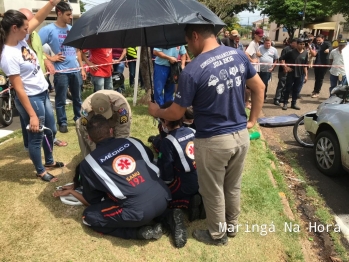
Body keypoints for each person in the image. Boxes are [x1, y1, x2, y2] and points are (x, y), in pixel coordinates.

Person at [148, 24, 265, 245]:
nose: (188, 47)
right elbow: (259, 87)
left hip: (213, 141)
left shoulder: (193, 70)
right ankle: (231, 227)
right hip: (240, 136)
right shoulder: (238, 55)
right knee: (232, 186)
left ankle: (218, 235)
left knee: (212, 191)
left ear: (195, 36)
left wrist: (157, 111)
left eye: (187, 42)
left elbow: (176, 112)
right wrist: (252, 120)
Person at [56, 114, 171, 240]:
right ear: (111, 130)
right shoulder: (132, 141)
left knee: (88, 216)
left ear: (89, 138)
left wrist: (73, 191)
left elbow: (92, 201)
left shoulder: (88, 164)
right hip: (165, 194)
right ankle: (167, 217)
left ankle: (138, 232)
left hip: (138, 211)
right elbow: (148, 159)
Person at [0, 0, 64, 182]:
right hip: (31, 98)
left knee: (51, 129)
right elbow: (18, 89)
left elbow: (38, 18)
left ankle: (49, 161)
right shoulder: (8, 55)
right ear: (14, 28)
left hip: (42, 93)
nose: (28, 30)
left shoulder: (20, 40)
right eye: (25, 28)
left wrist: (52, 3)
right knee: (36, 136)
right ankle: (40, 170)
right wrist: (32, 115)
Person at [19, 8, 67, 149]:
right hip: (27, 89)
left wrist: (47, 61)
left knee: (48, 116)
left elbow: (40, 53)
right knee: (28, 118)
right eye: (27, 22)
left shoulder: (35, 35)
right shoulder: (16, 42)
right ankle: (30, 145)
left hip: (42, 82)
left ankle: (51, 138)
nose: (30, 25)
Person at [39, 1, 86, 133]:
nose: (71, 17)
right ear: (59, 13)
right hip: (61, 71)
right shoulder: (48, 30)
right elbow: (35, 47)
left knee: (77, 97)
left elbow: (78, 50)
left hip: (75, 70)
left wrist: (82, 68)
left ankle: (78, 119)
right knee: (60, 100)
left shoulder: (72, 30)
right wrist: (50, 58)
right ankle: (62, 122)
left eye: (71, 14)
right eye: (68, 14)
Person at [157, 101, 200, 218]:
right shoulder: (193, 131)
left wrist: (164, 182)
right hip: (201, 177)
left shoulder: (168, 141)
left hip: (184, 181)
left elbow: (166, 168)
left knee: (161, 197)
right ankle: (198, 198)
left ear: (165, 121)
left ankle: (187, 203)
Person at [76, 90, 132, 157]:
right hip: (96, 123)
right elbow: (87, 134)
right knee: (79, 124)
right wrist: (97, 153)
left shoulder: (121, 105)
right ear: (92, 108)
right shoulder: (86, 109)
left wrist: (117, 152)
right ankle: (89, 159)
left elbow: (123, 132)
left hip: (114, 119)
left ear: (110, 102)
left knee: (120, 146)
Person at [281, 39, 308, 110]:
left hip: (300, 74)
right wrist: (286, 67)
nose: (302, 46)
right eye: (300, 44)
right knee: (288, 89)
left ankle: (294, 103)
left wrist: (306, 75)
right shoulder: (291, 52)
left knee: (296, 90)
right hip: (291, 74)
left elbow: (305, 65)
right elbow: (281, 59)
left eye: (303, 44)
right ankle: (285, 103)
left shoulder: (305, 53)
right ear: (297, 44)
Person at [273, 38, 297, 106]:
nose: (296, 45)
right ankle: (276, 99)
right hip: (283, 70)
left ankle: (282, 98)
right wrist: (285, 68)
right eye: (296, 43)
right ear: (292, 43)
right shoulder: (286, 49)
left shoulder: (295, 50)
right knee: (281, 84)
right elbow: (281, 59)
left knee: (286, 85)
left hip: (290, 71)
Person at [245, 28, 264, 109]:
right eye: (259, 36)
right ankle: (246, 103)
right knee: (249, 88)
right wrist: (252, 60)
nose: (260, 37)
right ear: (255, 35)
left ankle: (249, 102)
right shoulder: (252, 43)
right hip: (252, 69)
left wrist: (259, 55)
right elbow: (246, 53)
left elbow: (255, 53)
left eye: (261, 36)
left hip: (256, 68)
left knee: (253, 88)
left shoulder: (257, 44)